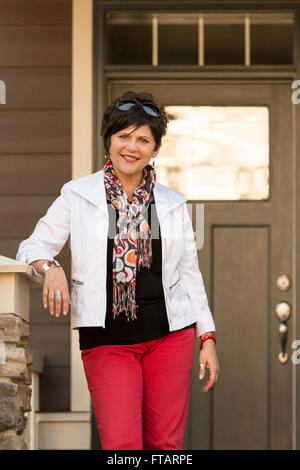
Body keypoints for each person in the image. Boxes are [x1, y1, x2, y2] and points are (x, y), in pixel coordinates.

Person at [16, 90, 219, 451]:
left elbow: (189, 274)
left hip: (170, 337)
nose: (132, 146)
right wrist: (52, 267)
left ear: (155, 149)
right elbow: (33, 247)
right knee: (122, 445)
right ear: (109, 140)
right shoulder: (78, 195)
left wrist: (207, 337)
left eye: (143, 139)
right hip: (107, 340)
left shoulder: (171, 203)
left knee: (165, 446)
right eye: (124, 136)